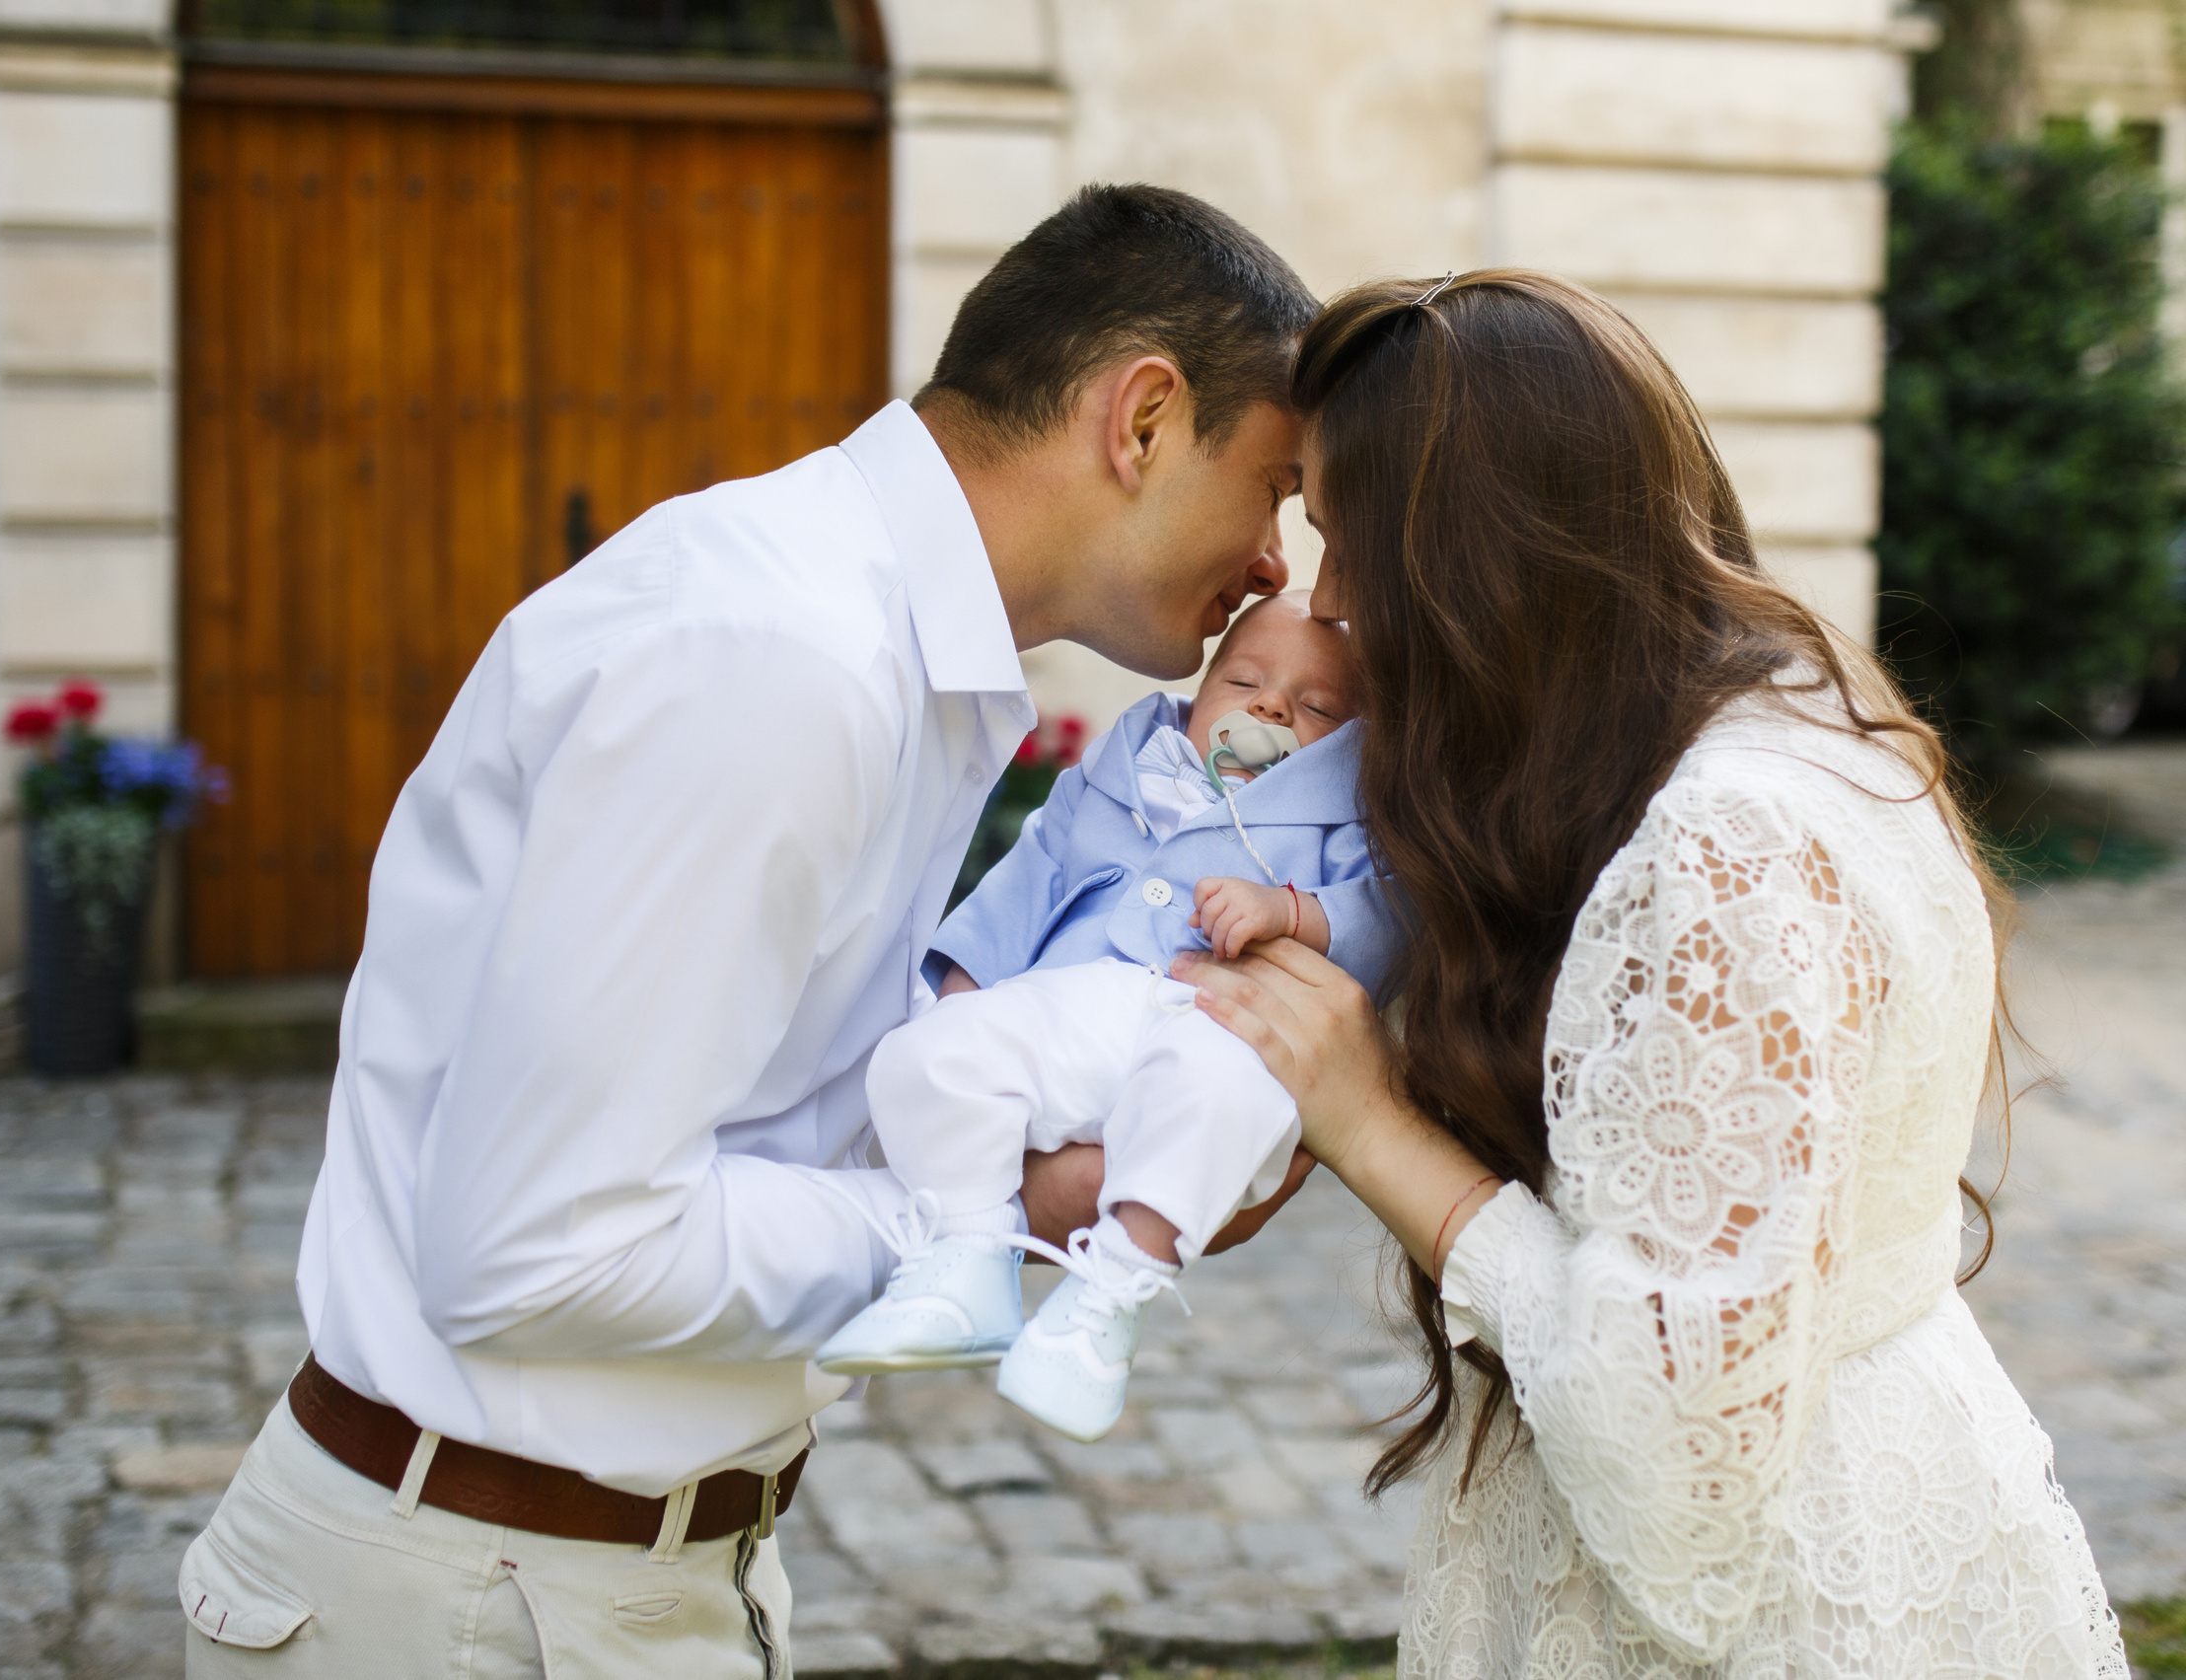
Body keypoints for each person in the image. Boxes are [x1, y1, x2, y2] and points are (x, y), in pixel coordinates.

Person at [176, 183, 1326, 1679]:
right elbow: (538, 1246)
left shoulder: (885, 646)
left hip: (609, 1577)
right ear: (1145, 419)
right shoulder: (775, 656)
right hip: (476, 1603)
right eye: (1276, 487)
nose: (1274, 565)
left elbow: (760, 1113)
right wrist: (1013, 1211)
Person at [1171, 270, 2126, 1677]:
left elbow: (1677, 1475)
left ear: (1476, 552)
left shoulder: (1722, 840)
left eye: (1345, 533)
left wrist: (1369, 1120)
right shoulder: (1791, 715)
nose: (1329, 596)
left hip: (1780, 1606)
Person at [815, 594, 1403, 1441]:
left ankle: (1108, 1301)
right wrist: (972, 994)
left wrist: (1291, 911)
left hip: (1219, 1021)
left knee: (1216, 1100)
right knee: (926, 1055)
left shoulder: (1346, 815)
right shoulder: (1118, 774)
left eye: (1318, 709)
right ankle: (965, 1256)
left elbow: (1385, 919)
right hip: (1081, 1006)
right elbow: (1034, 872)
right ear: (1200, 696)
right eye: (1244, 680)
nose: (1273, 706)